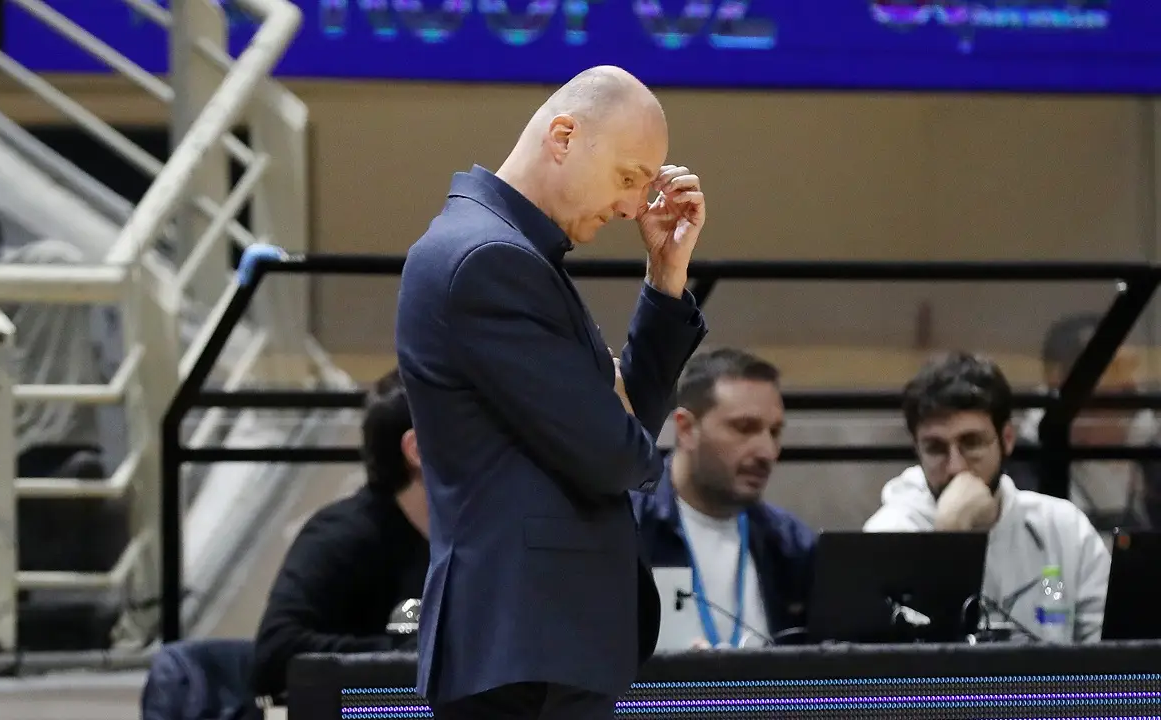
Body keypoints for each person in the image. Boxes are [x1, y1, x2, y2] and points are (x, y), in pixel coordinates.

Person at [396, 65, 709, 719]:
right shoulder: (489, 258)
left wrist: (665, 278)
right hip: (523, 645)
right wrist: (614, 409)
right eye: (628, 177)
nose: (633, 207)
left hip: (538, 644)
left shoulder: (509, 251)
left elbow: (622, 434)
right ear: (564, 136)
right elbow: (618, 456)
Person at [864, 351, 1110, 643]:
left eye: (972, 443)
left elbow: (1113, 649)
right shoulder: (887, 538)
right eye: (935, 448)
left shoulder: (1063, 528)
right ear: (917, 449)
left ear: (1007, 439)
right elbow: (906, 665)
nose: (956, 467)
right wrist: (948, 539)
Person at [252, 369, 430, 700]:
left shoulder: (473, 547)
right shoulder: (341, 536)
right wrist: (407, 658)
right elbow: (275, 654)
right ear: (417, 450)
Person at [633, 349, 816, 649]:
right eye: (744, 428)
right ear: (686, 429)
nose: (766, 451)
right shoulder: (629, 528)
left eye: (774, 432)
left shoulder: (791, 544)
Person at [1016, 313, 1161, 530]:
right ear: (1059, 379)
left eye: (1127, 370)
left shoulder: (1147, 447)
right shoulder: (1026, 465)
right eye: (1111, 371)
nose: (1127, 384)